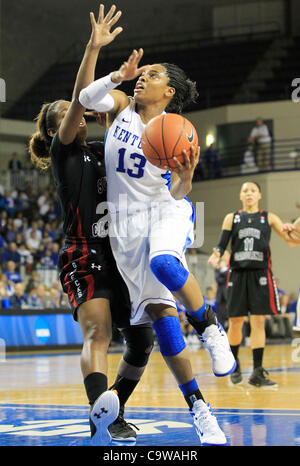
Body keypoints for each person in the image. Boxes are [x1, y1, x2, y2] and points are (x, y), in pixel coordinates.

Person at [79, 7, 237, 446]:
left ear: (170, 91)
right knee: (163, 319)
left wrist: (186, 177)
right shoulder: (122, 108)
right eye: (141, 74)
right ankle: (200, 410)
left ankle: (209, 326)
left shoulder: (177, 129)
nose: (142, 78)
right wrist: (109, 66)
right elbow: (85, 100)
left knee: (167, 262)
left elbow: (181, 190)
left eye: (152, 75)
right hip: (124, 228)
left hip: (166, 211)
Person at [28, 4, 155, 446]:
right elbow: (84, 96)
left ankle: (111, 406)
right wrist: (93, 49)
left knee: (143, 342)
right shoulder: (65, 154)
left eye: (79, 112)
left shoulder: (107, 150)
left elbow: (115, 111)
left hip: (122, 254)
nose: (78, 114)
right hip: (84, 252)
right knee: (99, 331)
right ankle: (98, 415)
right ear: (55, 129)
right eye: (66, 113)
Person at [208, 181, 295, 387]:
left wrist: (292, 229)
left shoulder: (269, 217)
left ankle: (257, 372)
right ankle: (234, 364)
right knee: (236, 322)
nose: (249, 194)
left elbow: (290, 240)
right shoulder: (232, 218)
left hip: (261, 274)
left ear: (259, 195)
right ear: (240, 195)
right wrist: (216, 254)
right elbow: (221, 245)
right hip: (237, 274)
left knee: (258, 322)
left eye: (252, 191)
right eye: (245, 191)